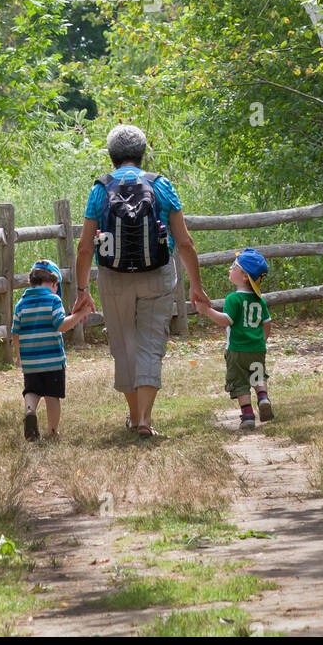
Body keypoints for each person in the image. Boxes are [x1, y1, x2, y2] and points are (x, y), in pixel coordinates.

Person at [74, 123, 210, 439]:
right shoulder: (161, 185)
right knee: (151, 343)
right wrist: (196, 284)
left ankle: (134, 416)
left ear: (111, 156)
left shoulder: (99, 189)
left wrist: (82, 290)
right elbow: (185, 242)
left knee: (124, 345)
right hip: (158, 274)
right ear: (143, 153)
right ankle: (146, 419)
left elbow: (84, 247)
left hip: (113, 276)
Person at [194, 247, 274, 429]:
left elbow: (226, 321)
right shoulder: (260, 301)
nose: (230, 269)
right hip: (257, 349)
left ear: (244, 276)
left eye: (234, 266)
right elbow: (267, 323)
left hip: (237, 351)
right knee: (257, 375)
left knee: (240, 383)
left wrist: (207, 311)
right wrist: (262, 340)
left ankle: (247, 416)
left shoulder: (233, 299)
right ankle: (263, 397)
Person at [11, 260, 82, 441]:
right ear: (53, 282)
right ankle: (52, 432)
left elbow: (15, 333)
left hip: (30, 362)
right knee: (52, 396)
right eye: (56, 285)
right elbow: (61, 325)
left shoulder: (21, 303)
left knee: (31, 391)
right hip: (52, 361)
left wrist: (19, 357)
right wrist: (81, 314)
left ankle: (30, 411)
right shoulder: (53, 300)